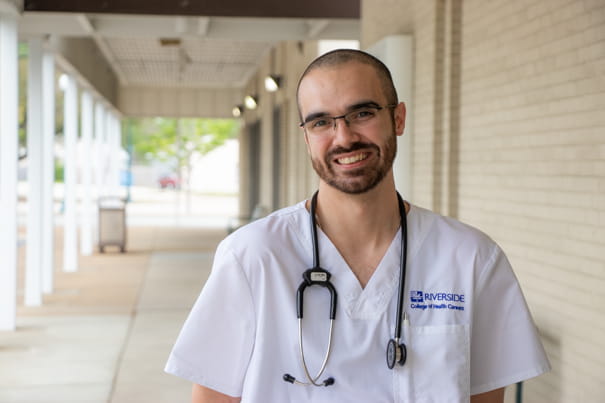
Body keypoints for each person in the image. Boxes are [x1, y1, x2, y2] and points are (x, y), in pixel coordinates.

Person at [165, 49, 551, 402]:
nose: (344, 137)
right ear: (306, 137)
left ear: (397, 118)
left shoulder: (471, 259)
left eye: (362, 113)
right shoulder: (253, 256)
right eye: (321, 122)